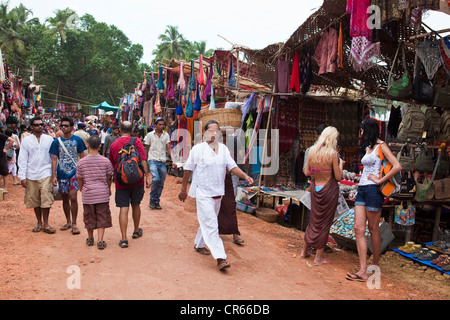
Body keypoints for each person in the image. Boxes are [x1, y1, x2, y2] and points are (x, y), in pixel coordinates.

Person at [178, 120, 254, 271]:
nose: (214, 133)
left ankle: (199, 245)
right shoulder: (197, 149)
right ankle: (221, 258)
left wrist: (245, 176)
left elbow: (232, 167)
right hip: (203, 193)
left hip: (218, 193)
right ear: (205, 133)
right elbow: (187, 170)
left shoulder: (224, 149)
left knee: (208, 221)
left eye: (217, 131)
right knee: (212, 224)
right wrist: (183, 190)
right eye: (211, 130)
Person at [346, 118, 402, 282]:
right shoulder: (369, 147)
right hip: (362, 189)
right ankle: (363, 269)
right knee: (358, 229)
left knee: (373, 228)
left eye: (361, 130)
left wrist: (380, 180)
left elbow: (397, 165)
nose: (360, 133)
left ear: (367, 130)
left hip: (373, 190)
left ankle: (374, 265)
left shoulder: (381, 146)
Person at [301, 126, 345, 266]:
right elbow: (338, 177)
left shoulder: (312, 151)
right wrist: (341, 165)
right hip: (328, 190)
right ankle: (318, 257)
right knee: (324, 223)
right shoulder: (332, 154)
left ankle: (304, 251)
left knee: (313, 220)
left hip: (315, 188)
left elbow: (306, 172)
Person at [109, 121, 150, 248]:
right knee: (136, 205)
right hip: (137, 179)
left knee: (123, 208)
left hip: (121, 181)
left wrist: (108, 183)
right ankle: (136, 231)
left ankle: (124, 238)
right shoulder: (137, 141)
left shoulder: (114, 144)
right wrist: (147, 176)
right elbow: (143, 160)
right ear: (132, 130)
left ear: (119, 130)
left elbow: (112, 165)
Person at [18, 116, 55, 234]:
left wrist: (54, 175)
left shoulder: (49, 139)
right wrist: (22, 176)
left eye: (41, 124)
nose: (40, 126)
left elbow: (54, 158)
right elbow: (22, 159)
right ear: (32, 127)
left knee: (46, 197)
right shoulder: (26, 141)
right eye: (37, 124)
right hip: (31, 173)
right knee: (35, 199)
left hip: (46, 172)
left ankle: (46, 223)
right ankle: (39, 222)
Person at [50, 117, 87, 235]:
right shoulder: (56, 142)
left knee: (73, 197)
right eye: (62, 125)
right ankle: (68, 221)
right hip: (61, 175)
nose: (64, 127)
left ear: (71, 127)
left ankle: (75, 223)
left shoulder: (78, 140)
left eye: (66, 125)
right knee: (64, 198)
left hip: (74, 174)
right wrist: (53, 176)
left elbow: (82, 156)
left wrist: (83, 173)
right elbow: (54, 159)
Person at [77, 135, 114, 250]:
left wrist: (82, 189)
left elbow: (79, 179)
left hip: (88, 194)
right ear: (99, 146)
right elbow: (109, 177)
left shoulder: (81, 162)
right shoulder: (105, 161)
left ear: (87, 145)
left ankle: (90, 238)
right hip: (102, 193)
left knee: (89, 216)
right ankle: (100, 240)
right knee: (102, 216)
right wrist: (108, 189)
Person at [144, 117, 176, 210]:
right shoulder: (149, 135)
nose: (161, 126)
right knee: (156, 179)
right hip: (153, 160)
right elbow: (146, 149)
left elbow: (169, 148)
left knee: (161, 183)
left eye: (163, 124)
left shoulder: (166, 135)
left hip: (162, 161)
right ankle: (152, 199)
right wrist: (144, 161)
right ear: (155, 125)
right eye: (160, 124)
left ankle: (156, 201)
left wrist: (173, 160)